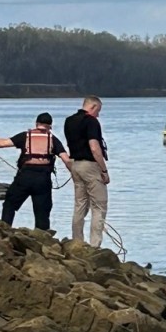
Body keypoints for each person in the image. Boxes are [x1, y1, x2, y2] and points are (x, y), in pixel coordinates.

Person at [0, 113, 72, 232]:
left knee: (10, 204)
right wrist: (75, 174)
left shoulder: (25, 136)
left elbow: (2, 144)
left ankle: (4, 231)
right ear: (50, 126)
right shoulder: (52, 139)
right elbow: (66, 159)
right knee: (42, 212)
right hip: (43, 179)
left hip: (25, 177)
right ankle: (43, 239)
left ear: (36, 124)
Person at [63, 95, 110, 247]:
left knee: (80, 205)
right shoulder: (91, 121)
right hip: (90, 166)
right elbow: (95, 148)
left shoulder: (69, 121)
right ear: (93, 107)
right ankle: (95, 245)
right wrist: (104, 170)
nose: (98, 115)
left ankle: (77, 242)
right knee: (99, 206)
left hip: (75, 165)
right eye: (98, 111)